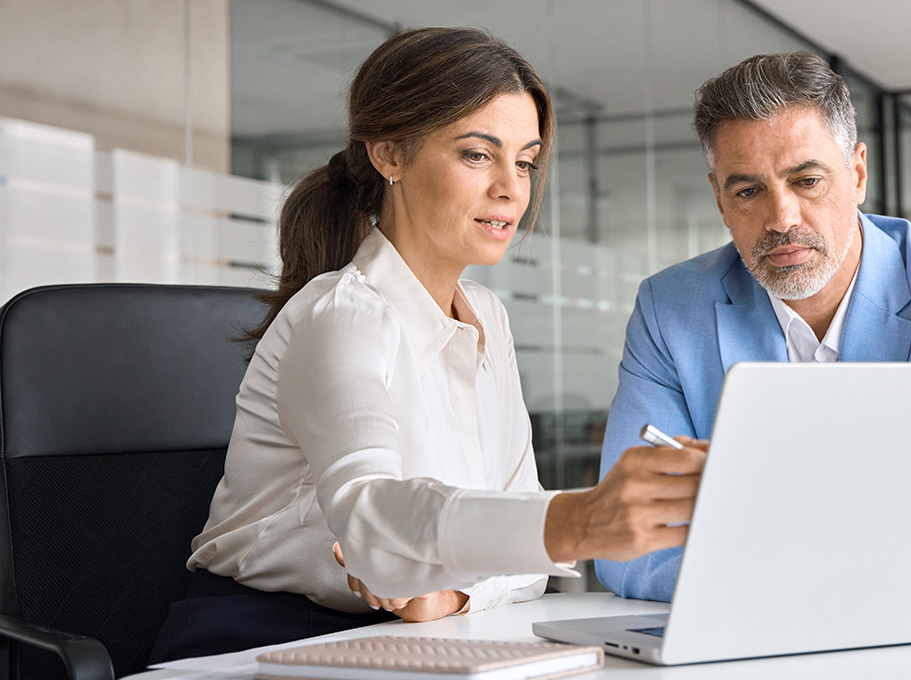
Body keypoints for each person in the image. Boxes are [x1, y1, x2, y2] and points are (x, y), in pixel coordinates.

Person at [150, 27, 707, 662]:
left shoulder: (487, 318)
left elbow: (526, 569)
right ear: (389, 154)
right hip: (258, 639)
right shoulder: (341, 314)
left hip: (418, 634)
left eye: (524, 161)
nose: (511, 189)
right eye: (477, 155)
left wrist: (454, 596)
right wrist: (574, 521)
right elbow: (370, 517)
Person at [594, 52, 911, 602]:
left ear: (856, 174)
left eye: (806, 180)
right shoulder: (670, 309)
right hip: (740, 634)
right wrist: (797, 596)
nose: (782, 219)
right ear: (719, 198)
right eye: (748, 191)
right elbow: (626, 539)